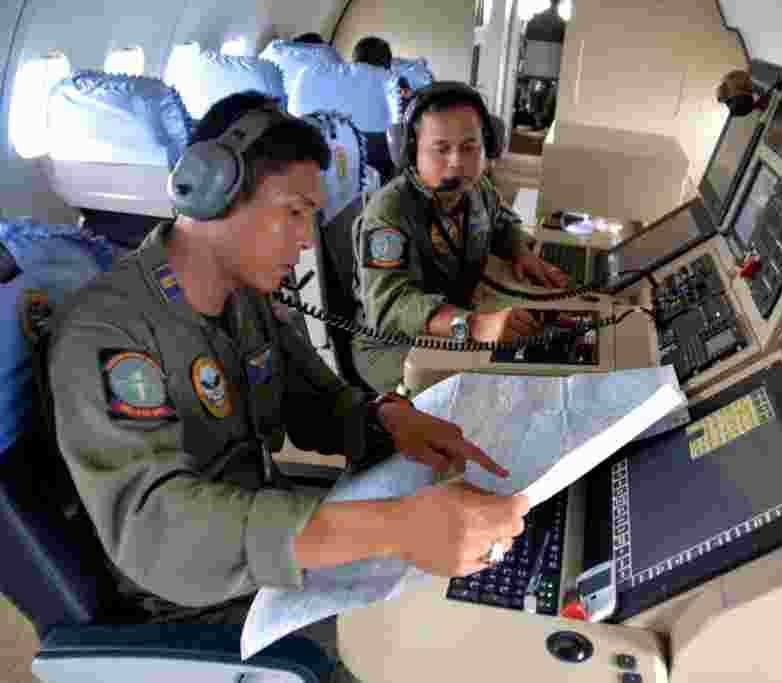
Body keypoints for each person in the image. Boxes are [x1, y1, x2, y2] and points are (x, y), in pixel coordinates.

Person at [46, 92, 529, 683]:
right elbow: (159, 525)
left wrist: (387, 419)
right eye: (294, 212)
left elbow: (317, 402)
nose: (307, 240)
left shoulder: (245, 300)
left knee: (472, 617)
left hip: (273, 554)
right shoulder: (110, 332)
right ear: (212, 189)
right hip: (189, 603)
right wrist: (391, 525)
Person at [345, 82, 570, 394]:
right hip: (394, 347)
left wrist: (522, 252)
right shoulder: (389, 211)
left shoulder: (477, 190)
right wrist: (476, 326)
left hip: (458, 321)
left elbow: (502, 222)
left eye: (469, 147)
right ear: (411, 151)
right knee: (493, 389)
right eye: (441, 149)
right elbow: (390, 305)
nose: (457, 162)